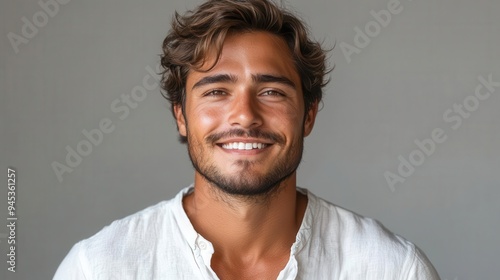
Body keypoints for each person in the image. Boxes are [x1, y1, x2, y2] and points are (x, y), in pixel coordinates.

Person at [54, 0, 440, 279]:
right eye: (216, 91)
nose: (244, 115)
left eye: (272, 91)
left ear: (309, 114)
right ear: (180, 116)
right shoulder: (98, 268)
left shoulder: (393, 270)